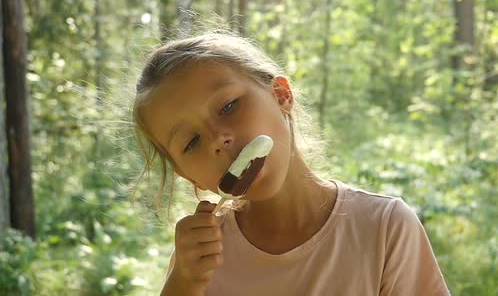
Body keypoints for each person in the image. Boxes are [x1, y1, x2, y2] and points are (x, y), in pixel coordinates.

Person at [131, 31, 451, 296]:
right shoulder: (197, 263)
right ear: (187, 174)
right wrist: (183, 285)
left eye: (228, 106)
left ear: (281, 95)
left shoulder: (383, 229)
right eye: (191, 142)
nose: (217, 139)